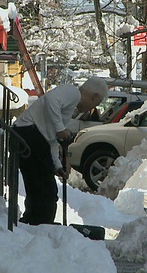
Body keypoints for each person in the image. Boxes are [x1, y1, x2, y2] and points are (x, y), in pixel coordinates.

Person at [13, 77, 108, 225]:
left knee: (41, 187)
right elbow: (50, 99)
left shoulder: (68, 110)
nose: (92, 108)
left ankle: (35, 222)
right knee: (45, 189)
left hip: (35, 138)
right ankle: (38, 224)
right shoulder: (72, 92)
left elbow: (52, 140)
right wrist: (60, 129)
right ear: (94, 96)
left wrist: (57, 165)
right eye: (96, 103)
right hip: (29, 133)